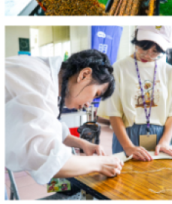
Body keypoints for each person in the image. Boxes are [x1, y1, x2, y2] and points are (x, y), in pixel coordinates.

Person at [6, 50, 122, 189]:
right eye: (95, 94)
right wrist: (100, 163)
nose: (88, 104)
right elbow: (49, 159)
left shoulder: (46, 74)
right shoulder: (41, 82)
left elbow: (49, 127)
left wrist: (83, 144)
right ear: (84, 75)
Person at [98, 26, 172, 161]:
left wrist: (164, 142)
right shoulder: (119, 68)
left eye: (155, 52)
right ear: (136, 41)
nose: (147, 55)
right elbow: (114, 113)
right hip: (126, 135)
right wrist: (128, 146)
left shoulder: (169, 71)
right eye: (143, 48)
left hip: (160, 136)